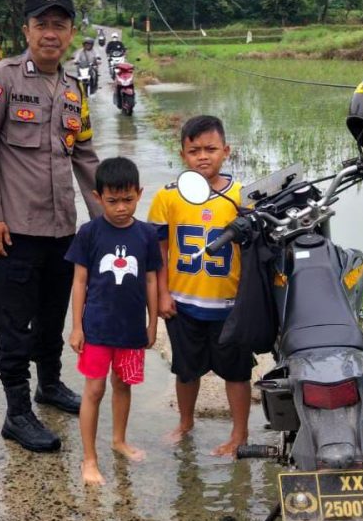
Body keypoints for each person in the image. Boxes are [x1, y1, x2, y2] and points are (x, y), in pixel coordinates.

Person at [0, 0, 103, 453]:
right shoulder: (0, 79)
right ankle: (17, 412)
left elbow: (85, 156)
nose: (51, 33)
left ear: (70, 33)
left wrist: (105, 221)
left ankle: (49, 385)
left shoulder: (73, 90)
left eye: (59, 25)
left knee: (51, 316)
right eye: (41, 24)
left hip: (62, 230)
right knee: (14, 325)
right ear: (26, 30)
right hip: (16, 231)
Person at [147, 115, 254, 457]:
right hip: (183, 303)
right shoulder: (168, 197)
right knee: (186, 369)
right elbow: (159, 251)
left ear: (226, 151)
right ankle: (185, 422)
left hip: (229, 306)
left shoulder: (243, 197)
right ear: (182, 155)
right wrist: (162, 294)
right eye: (194, 150)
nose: (203, 157)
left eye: (211, 149)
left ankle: (239, 433)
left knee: (236, 372)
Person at [65, 157, 161, 485]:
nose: (121, 208)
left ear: (140, 193)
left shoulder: (146, 235)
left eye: (128, 200)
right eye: (113, 201)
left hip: (131, 329)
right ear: (97, 197)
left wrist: (152, 324)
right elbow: (79, 281)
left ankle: (119, 440)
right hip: (97, 328)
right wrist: (76, 326)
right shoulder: (89, 234)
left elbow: (151, 281)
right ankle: (89, 459)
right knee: (94, 390)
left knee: (123, 385)